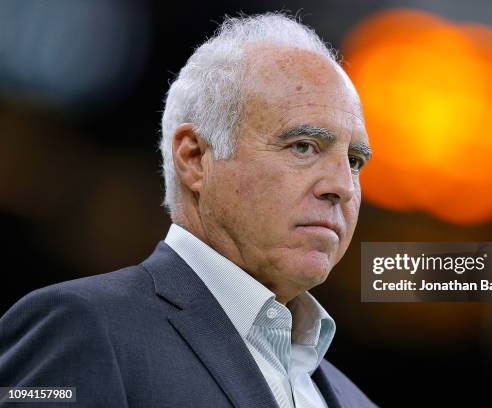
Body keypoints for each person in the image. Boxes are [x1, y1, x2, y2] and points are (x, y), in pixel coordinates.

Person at [0, 12, 377, 408]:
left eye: (354, 160)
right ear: (195, 158)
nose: (341, 186)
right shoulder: (81, 328)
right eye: (302, 146)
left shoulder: (355, 400)